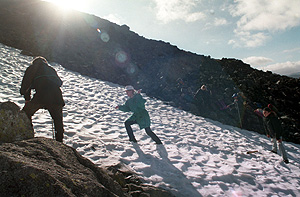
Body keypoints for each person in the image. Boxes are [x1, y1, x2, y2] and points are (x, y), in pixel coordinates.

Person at [20, 56, 65, 142]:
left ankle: (28, 133)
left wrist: (27, 99)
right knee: (57, 120)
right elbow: (59, 83)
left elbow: (26, 85)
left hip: (41, 95)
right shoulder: (51, 69)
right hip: (57, 97)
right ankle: (60, 141)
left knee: (26, 113)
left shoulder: (32, 68)